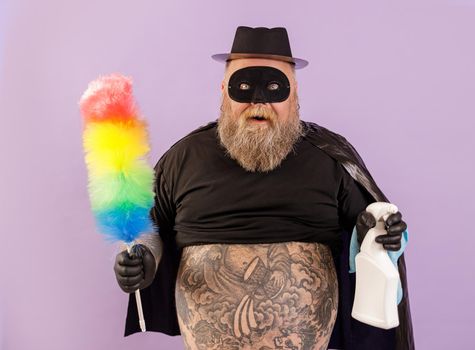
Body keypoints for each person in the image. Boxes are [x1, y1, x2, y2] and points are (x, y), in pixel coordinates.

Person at [113, 26, 414, 349]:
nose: (258, 101)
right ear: (223, 91)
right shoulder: (184, 158)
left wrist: (388, 235)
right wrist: (139, 258)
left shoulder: (329, 157)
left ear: (294, 93)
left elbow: (369, 231)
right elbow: (149, 228)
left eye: (273, 87)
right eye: (243, 87)